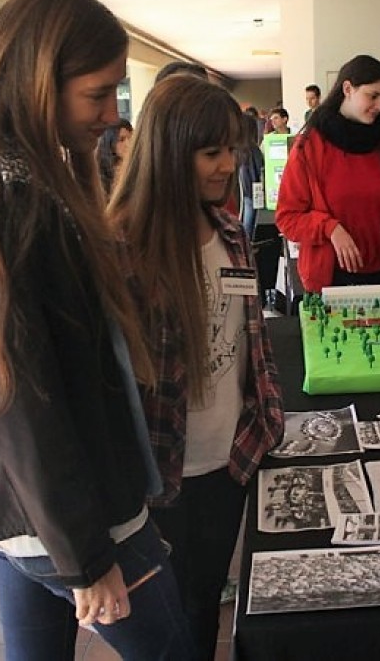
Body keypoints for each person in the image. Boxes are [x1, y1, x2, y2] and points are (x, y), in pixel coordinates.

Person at [0, 0, 195, 661]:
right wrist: (86, 557)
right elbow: (18, 397)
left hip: (33, 511)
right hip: (69, 515)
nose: (112, 114)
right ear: (37, 81)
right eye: (98, 94)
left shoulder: (10, 178)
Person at [107, 72, 284, 661]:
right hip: (157, 478)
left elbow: (251, 341)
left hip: (227, 462)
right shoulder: (121, 249)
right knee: (163, 624)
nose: (227, 165)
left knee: (204, 603)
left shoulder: (233, 233)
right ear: (169, 151)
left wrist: (267, 419)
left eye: (231, 149)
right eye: (211, 152)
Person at [275, 54, 380, 294]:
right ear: (347, 89)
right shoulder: (309, 148)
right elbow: (287, 218)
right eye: (373, 96)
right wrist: (329, 228)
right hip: (331, 279)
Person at [97, 118, 133, 191]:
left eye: (130, 138)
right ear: (110, 142)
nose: (128, 144)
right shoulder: (101, 173)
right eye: (121, 140)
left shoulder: (138, 164)